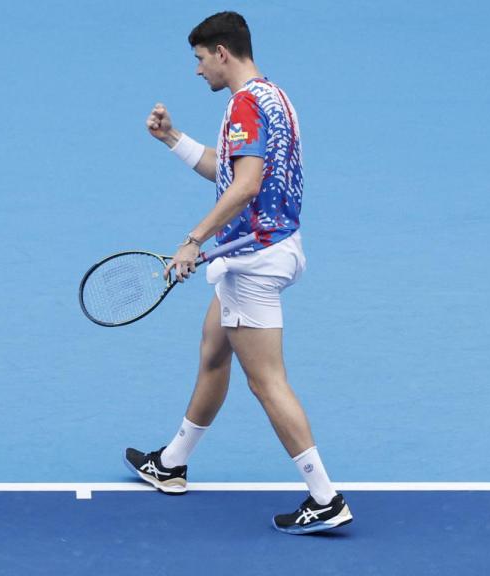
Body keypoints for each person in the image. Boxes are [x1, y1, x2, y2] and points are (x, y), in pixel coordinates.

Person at [124, 11, 352, 535]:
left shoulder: (244, 106)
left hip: (252, 261)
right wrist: (172, 138)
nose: (198, 70)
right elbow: (229, 170)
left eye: (200, 60)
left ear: (221, 52)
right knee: (212, 352)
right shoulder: (273, 96)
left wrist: (193, 240)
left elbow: (246, 186)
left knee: (267, 381)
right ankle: (172, 463)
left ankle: (325, 496)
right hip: (267, 247)